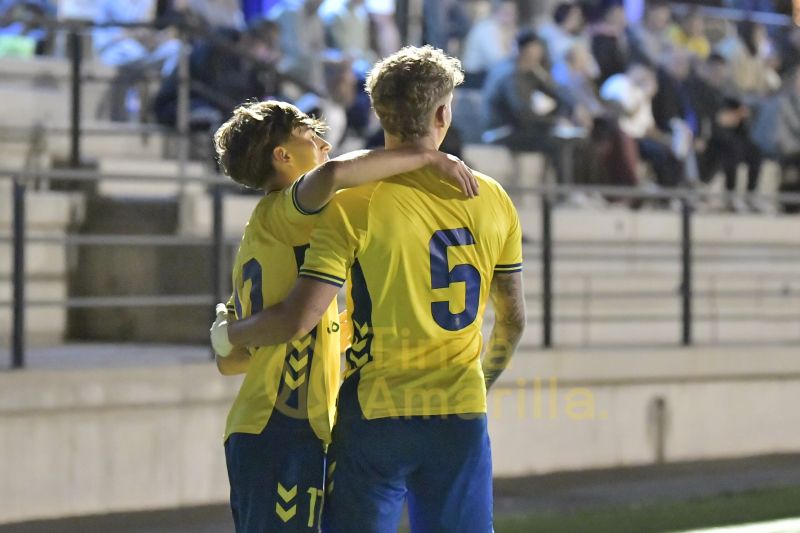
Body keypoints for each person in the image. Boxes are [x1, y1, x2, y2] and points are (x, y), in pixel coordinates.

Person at [212, 46, 527, 532]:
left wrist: (227, 335)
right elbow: (513, 320)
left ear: (380, 113)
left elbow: (259, 340)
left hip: (364, 413)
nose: (322, 141)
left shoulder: (343, 208)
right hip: (451, 410)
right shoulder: (492, 198)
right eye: (309, 134)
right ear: (443, 113)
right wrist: (478, 385)